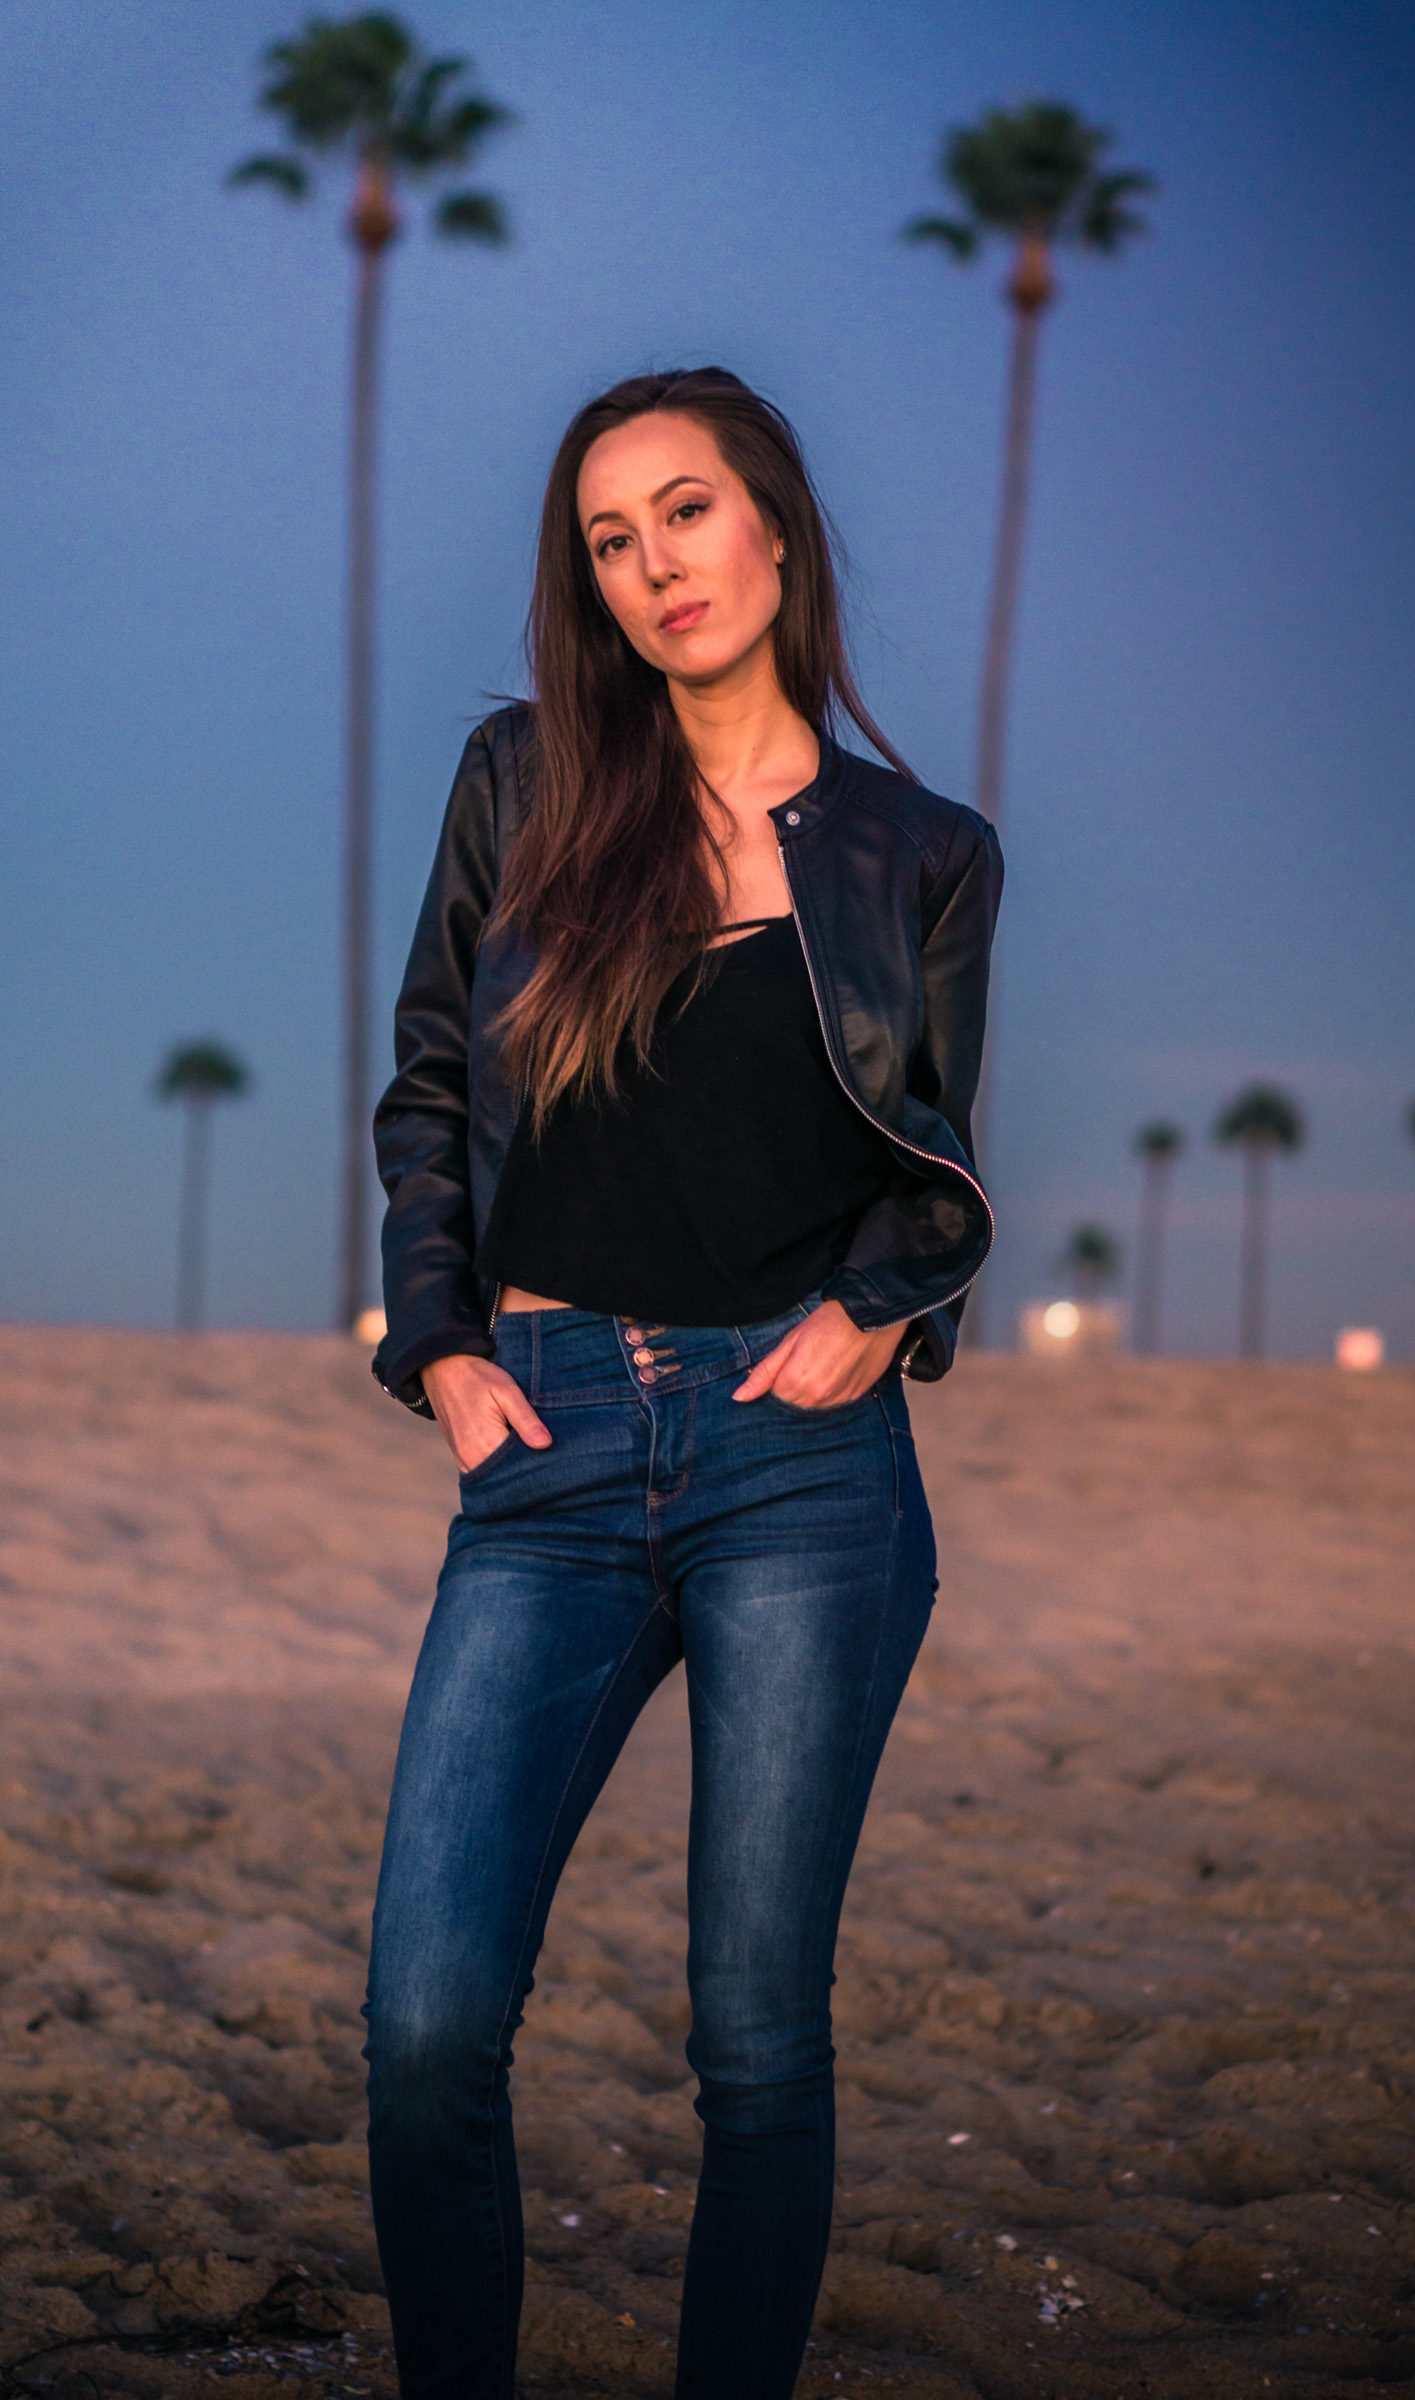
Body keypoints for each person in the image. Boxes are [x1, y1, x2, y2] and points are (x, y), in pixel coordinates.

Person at [364, 366, 1001, 2400]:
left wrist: (878, 1314)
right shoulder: (524, 778)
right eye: (609, 541)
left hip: (796, 1473)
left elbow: (932, 1168)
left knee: (753, 2035)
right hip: (542, 1449)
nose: (652, 566)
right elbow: (432, 1088)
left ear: (775, 530)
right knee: (429, 2019)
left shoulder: (922, 853)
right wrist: (444, 1350)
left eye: (684, 514)